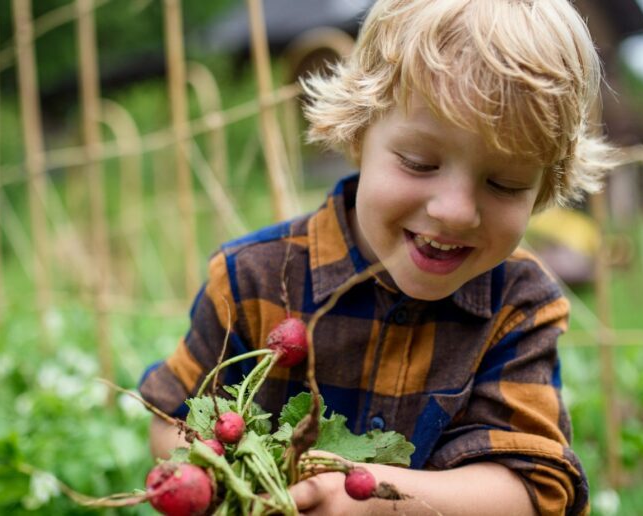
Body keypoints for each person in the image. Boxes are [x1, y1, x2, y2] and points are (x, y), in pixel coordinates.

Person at [138, 0, 613, 513]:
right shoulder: (250, 278)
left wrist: (371, 503)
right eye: (419, 163)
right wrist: (227, 480)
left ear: (543, 190)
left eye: (504, 184)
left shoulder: (519, 304)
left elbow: (530, 491)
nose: (455, 212)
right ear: (360, 133)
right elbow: (173, 420)